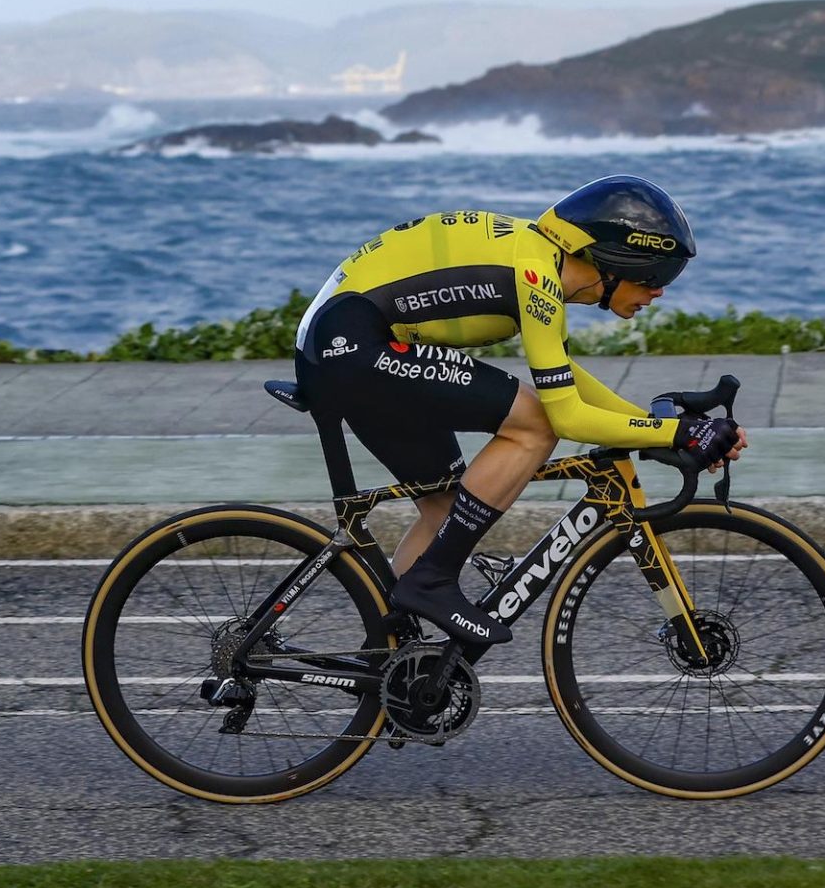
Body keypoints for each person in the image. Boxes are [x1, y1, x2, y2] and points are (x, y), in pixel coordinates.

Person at [293, 175, 746, 644]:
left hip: (348, 348)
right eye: (655, 276)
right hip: (350, 347)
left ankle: (392, 658)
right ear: (615, 262)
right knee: (534, 426)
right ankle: (432, 583)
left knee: (445, 509)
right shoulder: (535, 275)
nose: (659, 292)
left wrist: (662, 427)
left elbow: (566, 378)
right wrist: (676, 436)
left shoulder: (539, 264)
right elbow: (566, 416)